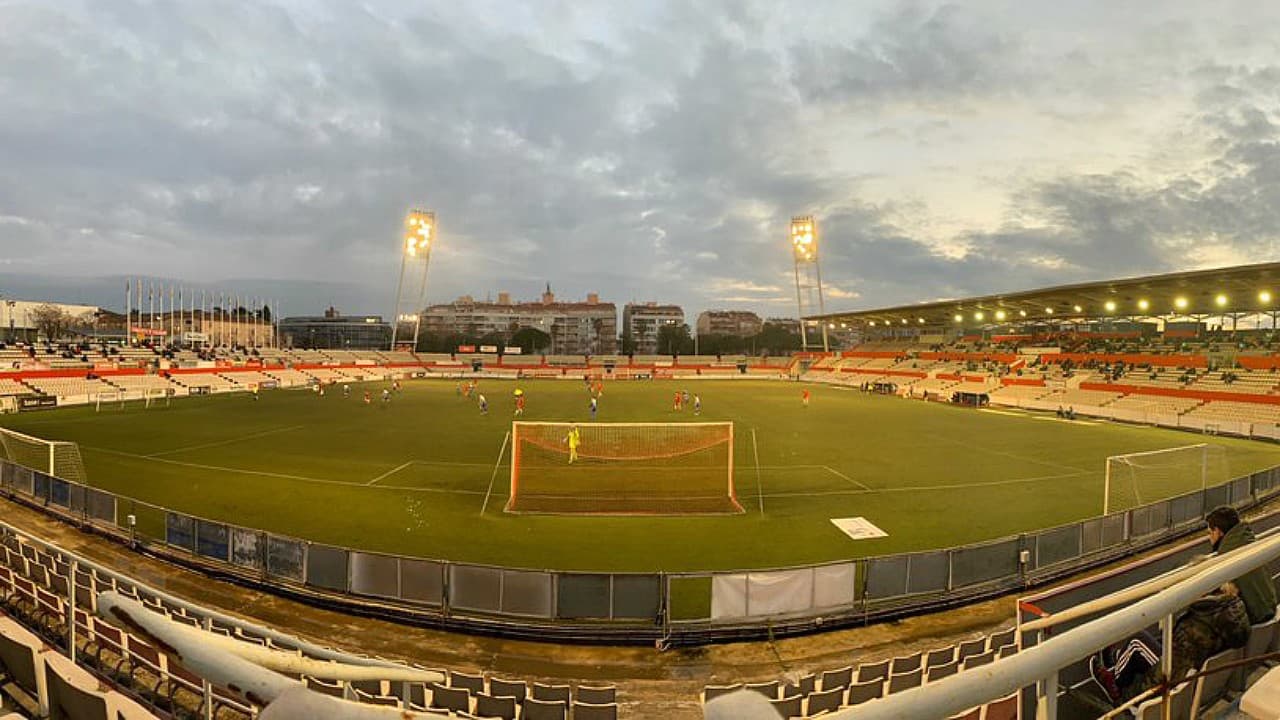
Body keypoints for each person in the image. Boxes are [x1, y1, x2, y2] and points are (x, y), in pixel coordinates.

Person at [1090, 506, 1261, 706]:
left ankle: (1114, 684)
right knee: (1157, 638)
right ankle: (1116, 663)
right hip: (1195, 674)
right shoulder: (1232, 607)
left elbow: (1179, 652)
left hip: (1175, 681)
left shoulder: (1202, 621)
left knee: (1138, 642)